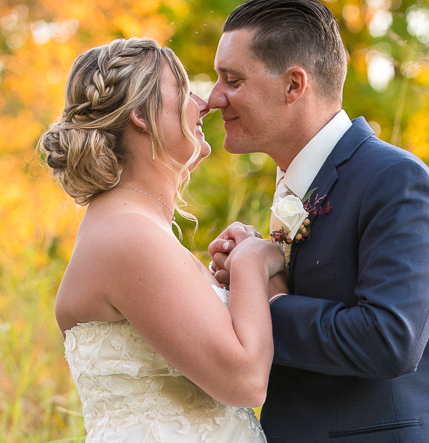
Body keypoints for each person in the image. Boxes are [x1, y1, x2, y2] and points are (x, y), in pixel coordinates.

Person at [207, 0, 429, 442]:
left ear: (294, 85)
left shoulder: (395, 179)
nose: (215, 98)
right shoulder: (297, 183)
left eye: (233, 80)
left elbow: (389, 340)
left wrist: (263, 301)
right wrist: (252, 268)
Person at [40, 37, 282, 443]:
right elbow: (246, 381)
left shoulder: (138, 230)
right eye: (185, 91)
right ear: (139, 114)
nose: (204, 103)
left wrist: (238, 277)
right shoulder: (127, 235)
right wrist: (252, 263)